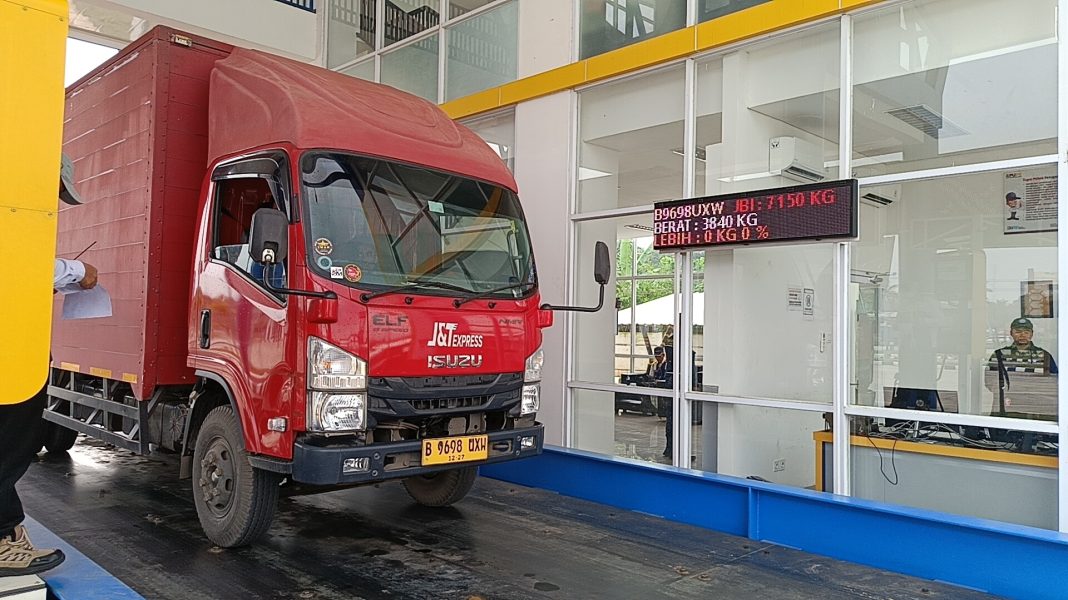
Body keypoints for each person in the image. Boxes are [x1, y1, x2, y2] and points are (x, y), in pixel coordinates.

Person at [0, 154, 97, 577]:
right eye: (57, 190)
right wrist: (77, 271)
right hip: (12, 355)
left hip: (16, 345)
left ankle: (8, 534)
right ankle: (3, 541)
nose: (56, 202)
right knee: (11, 443)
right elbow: (13, 261)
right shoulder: (15, 209)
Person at [986, 317, 1058, 416]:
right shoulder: (999, 355)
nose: (1022, 335)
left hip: (1035, 408)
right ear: (1011, 333)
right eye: (1018, 331)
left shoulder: (1044, 356)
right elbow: (989, 380)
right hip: (1007, 406)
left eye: (1026, 332)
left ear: (1032, 334)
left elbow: (1053, 382)